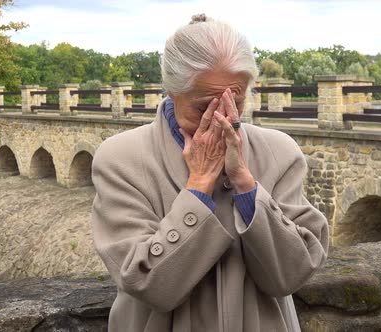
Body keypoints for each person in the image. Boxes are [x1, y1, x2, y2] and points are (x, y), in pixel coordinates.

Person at [91, 14, 329, 332]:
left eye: (236, 102)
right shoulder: (121, 159)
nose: (222, 120)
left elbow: (291, 274)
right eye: (204, 108)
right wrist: (199, 186)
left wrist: (246, 184)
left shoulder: (279, 152)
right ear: (172, 92)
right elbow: (149, 284)